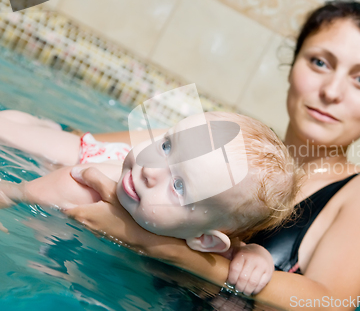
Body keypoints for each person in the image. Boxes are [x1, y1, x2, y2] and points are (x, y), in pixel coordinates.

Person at [61, 0, 360, 310]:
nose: (332, 91)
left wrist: (161, 247)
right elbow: (80, 145)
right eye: (319, 62)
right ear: (293, 66)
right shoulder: (228, 146)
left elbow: (330, 304)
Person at [0, 110, 302, 295]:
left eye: (179, 185)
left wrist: (256, 256)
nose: (150, 169)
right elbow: (15, 191)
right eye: (166, 145)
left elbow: (235, 250)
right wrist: (13, 195)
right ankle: (40, 124)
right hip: (92, 158)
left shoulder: (213, 244)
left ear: (205, 240)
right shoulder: (82, 187)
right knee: (10, 129)